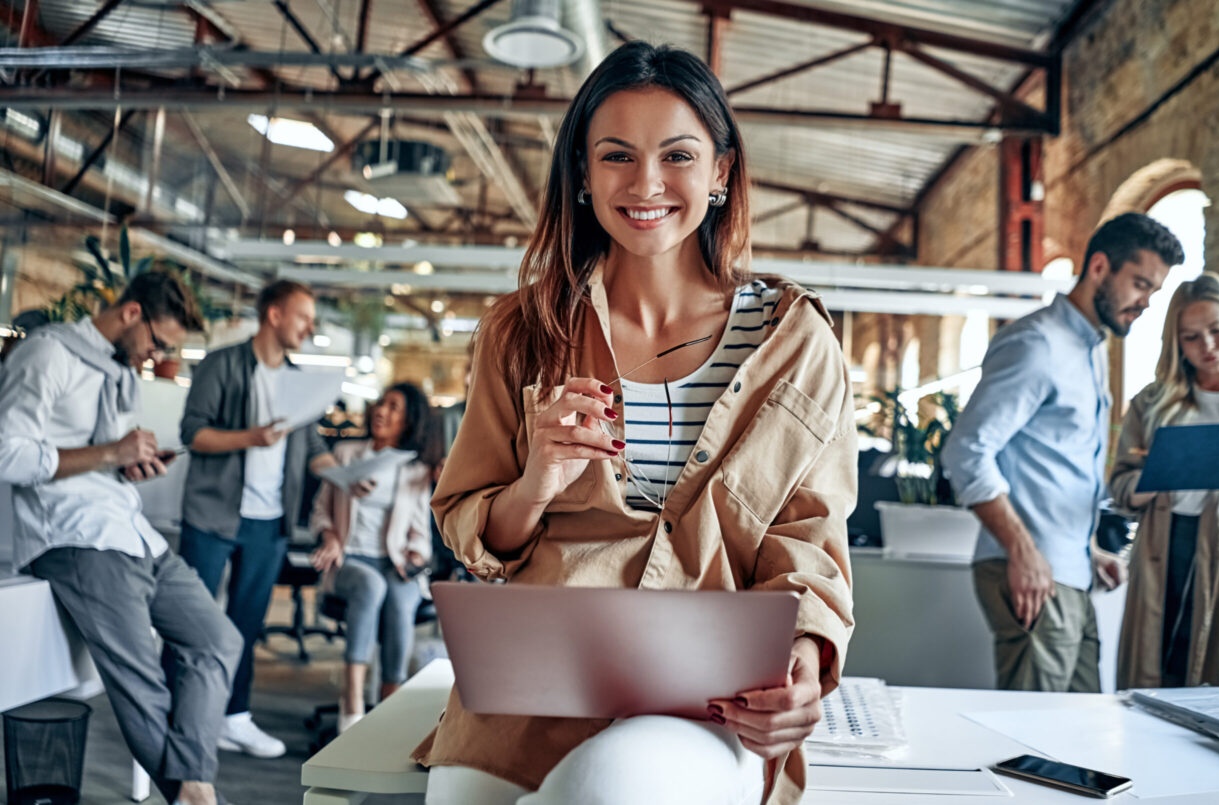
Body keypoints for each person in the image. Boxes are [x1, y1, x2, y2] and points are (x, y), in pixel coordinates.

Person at [417, 42, 857, 805]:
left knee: (608, 786)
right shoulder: (521, 332)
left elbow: (812, 545)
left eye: (678, 155)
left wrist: (808, 661)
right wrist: (534, 483)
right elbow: (469, 525)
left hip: (711, 702)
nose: (646, 183)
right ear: (582, 176)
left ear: (721, 171)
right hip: (527, 701)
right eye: (616, 155)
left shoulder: (796, 343)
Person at [0, 272, 240, 805]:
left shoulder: (122, 373)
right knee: (142, 682)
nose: (157, 356)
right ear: (132, 314)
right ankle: (197, 797)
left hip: (133, 534)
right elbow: (7, 454)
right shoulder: (48, 355)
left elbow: (103, 458)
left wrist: (127, 466)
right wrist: (112, 453)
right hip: (76, 540)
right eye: (158, 343)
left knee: (218, 640)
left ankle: (190, 787)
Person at [941, 212, 1183, 692]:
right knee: (1036, 746)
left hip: (1067, 570)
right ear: (1099, 268)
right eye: (1139, 284)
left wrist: (1086, 550)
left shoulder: (1088, 347)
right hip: (1035, 569)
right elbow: (966, 451)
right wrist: (1024, 550)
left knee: (1078, 734)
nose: (1145, 303)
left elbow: (1052, 465)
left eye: (1153, 292)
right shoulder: (1037, 344)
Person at [177, 279, 340, 758]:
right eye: (303, 317)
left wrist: (348, 477)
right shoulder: (221, 365)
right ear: (274, 314)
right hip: (212, 514)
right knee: (192, 619)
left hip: (269, 522)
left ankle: (234, 716)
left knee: (245, 624)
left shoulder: (299, 380)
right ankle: (181, 712)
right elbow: (193, 433)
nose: (310, 328)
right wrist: (251, 437)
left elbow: (311, 447)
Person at [1110, 272, 1219, 690]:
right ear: (1176, 342)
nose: (1208, 347)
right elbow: (1118, 488)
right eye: (1191, 337)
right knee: (1154, 686)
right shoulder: (1150, 404)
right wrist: (1157, 474)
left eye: (1217, 330)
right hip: (1164, 553)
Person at [309, 382, 438, 732]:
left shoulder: (415, 469)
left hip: (393, 563)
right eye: (381, 403)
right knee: (370, 585)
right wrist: (331, 536)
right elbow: (320, 511)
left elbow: (420, 535)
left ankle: (389, 706)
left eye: (394, 407)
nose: (381, 411)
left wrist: (415, 553)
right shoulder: (346, 453)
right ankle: (351, 702)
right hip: (349, 561)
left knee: (400, 595)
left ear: (409, 421)